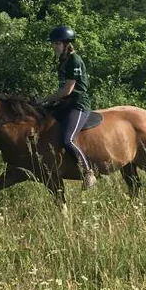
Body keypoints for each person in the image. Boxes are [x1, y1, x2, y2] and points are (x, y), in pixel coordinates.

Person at [41, 26, 96, 190]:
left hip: (78, 104)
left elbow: (67, 90)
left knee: (67, 139)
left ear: (66, 44)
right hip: (65, 103)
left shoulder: (74, 60)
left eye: (57, 43)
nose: (54, 47)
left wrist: (44, 99)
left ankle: (88, 172)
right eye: (54, 44)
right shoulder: (63, 61)